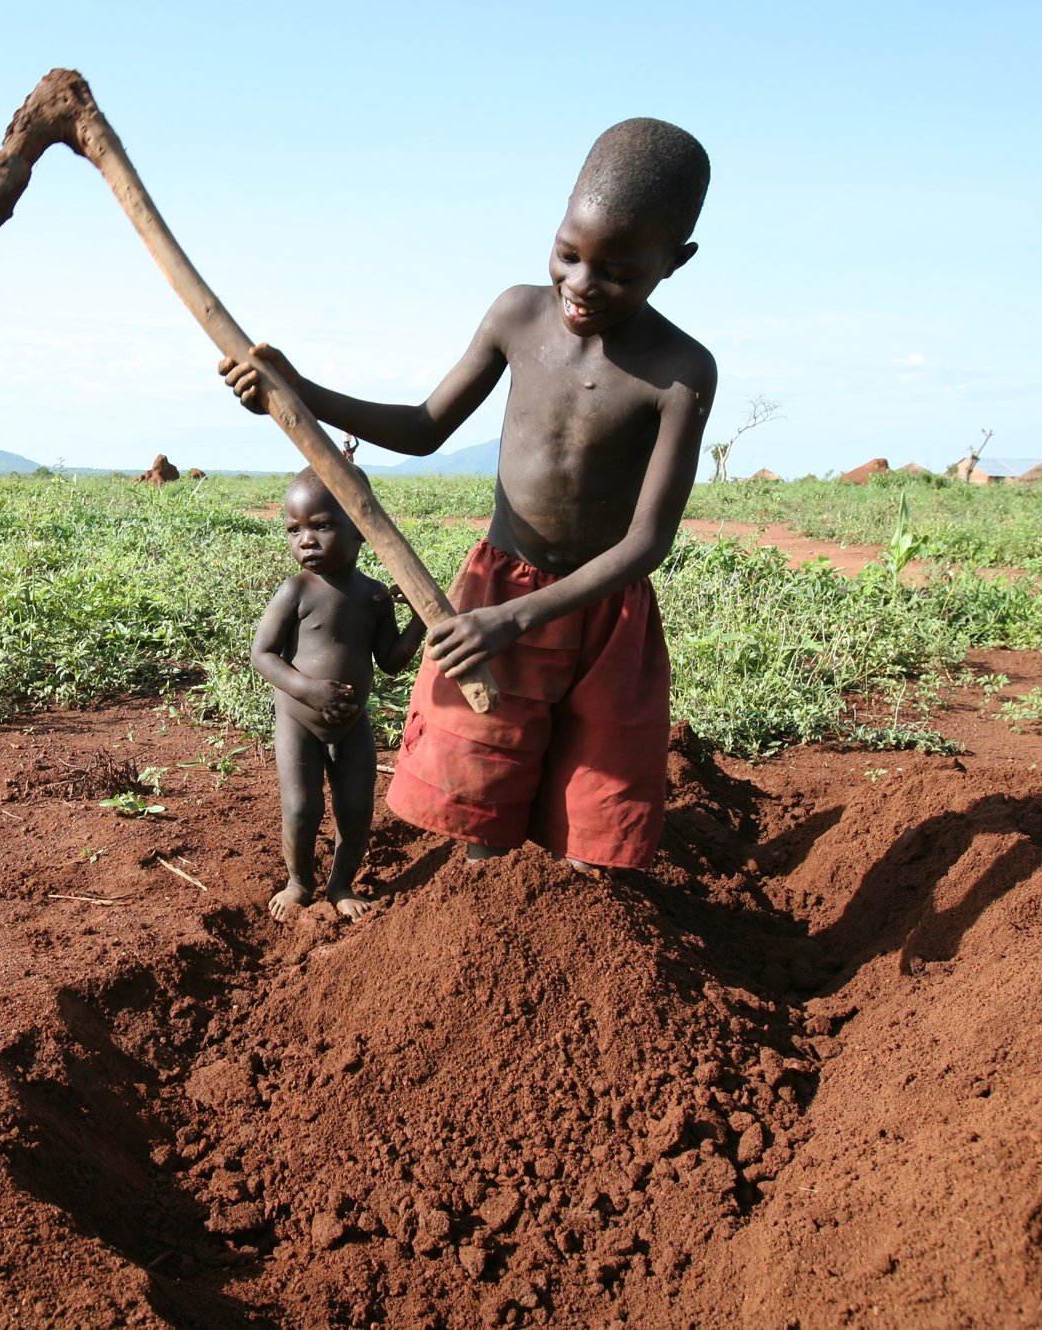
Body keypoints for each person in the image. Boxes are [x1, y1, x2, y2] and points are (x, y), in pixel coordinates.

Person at [222, 118, 714, 874]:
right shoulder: (517, 315)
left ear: (673, 262)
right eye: (568, 254)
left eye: (617, 271)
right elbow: (424, 427)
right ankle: (486, 935)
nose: (581, 284)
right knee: (483, 798)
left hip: (603, 613)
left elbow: (648, 540)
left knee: (597, 818)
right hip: (498, 588)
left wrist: (516, 618)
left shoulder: (681, 370)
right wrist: (299, 391)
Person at [252, 469, 425, 921]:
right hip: (298, 720)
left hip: (353, 723)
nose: (305, 540)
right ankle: (299, 882)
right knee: (302, 807)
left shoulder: (374, 597)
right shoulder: (296, 590)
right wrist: (308, 691)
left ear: (361, 531)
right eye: (294, 529)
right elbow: (263, 655)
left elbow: (389, 660)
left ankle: (341, 884)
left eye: (321, 526)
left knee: (356, 810)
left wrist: (420, 616)